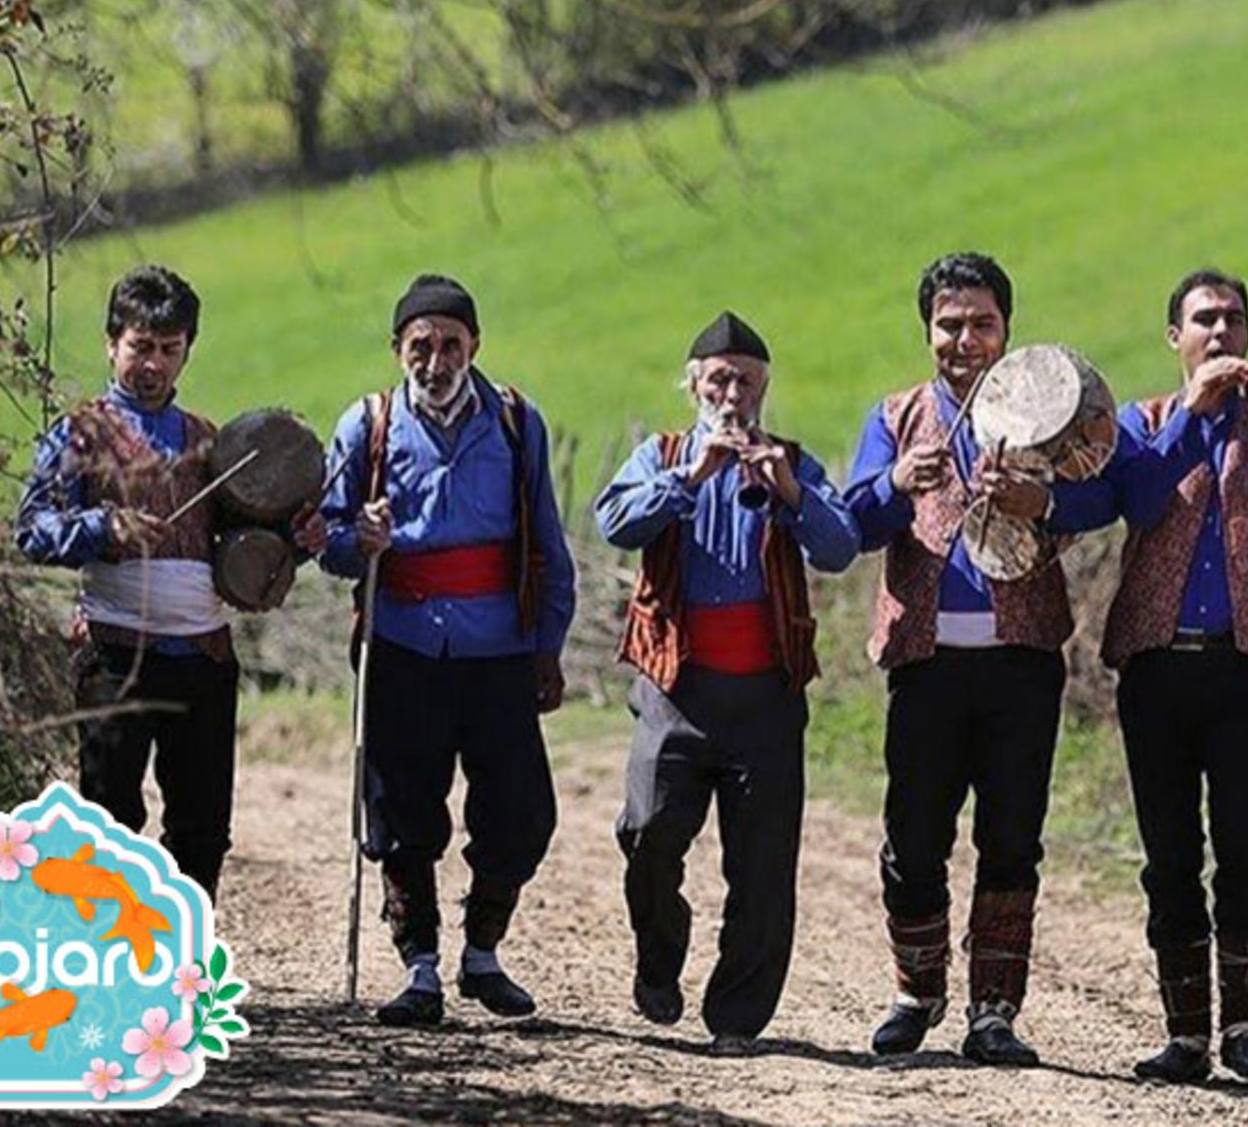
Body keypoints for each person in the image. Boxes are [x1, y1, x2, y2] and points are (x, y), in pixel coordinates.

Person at [846, 252, 1128, 1067]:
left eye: (981, 324)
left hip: (1023, 660)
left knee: (1012, 840)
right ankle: (917, 988)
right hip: (925, 663)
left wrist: (1041, 502)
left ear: (1007, 329)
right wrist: (897, 482)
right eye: (949, 325)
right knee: (914, 834)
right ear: (927, 330)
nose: (964, 340)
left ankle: (994, 1010)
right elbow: (853, 526)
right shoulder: (895, 418)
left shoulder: (1051, 406)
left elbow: (1107, 493)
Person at [16, 264, 325, 900]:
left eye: (168, 349)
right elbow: (31, 530)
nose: (153, 364)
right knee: (108, 823)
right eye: (140, 347)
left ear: (186, 349)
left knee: (203, 827)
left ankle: (185, 969)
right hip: (113, 655)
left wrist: (298, 545)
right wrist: (104, 526)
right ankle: (112, 970)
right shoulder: (78, 436)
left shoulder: (212, 444)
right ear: (111, 343)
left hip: (203, 658)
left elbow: (246, 556)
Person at [596, 310, 858, 1054]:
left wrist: (788, 492)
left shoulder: (793, 463)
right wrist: (692, 477)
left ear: (764, 388)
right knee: (647, 835)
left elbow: (839, 548)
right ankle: (659, 961)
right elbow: (616, 521)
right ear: (694, 387)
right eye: (719, 380)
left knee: (764, 865)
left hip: (767, 699)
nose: (733, 394)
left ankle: (738, 1017)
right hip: (677, 691)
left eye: (746, 382)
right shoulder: (665, 453)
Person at [1099, 268, 1248, 1085]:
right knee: (1169, 854)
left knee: (1244, 847)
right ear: (1176, 338)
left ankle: (1243, 1026)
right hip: (1156, 666)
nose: (1222, 333)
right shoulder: (1144, 423)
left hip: (1243, 666)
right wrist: (1191, 418)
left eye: (1235, 319)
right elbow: (1131, 497)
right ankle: (1185, 1035)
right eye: (1205, 320)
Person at [320, 273, 576, 1027]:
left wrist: (549, 645)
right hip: (401, 646)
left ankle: (483, 954)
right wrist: (354, 540)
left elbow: (550, 548)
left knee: (523, 810)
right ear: (398, 349)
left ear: (475, 347)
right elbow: (325, 540)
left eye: (451, 345)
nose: (436, 362)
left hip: (498, 649)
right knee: (401, 811)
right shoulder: (365, 427)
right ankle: (421, 967)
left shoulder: (515, 422)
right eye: (421, 346)